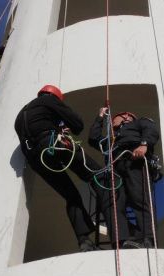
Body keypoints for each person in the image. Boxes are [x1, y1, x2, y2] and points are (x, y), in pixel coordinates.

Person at [14, 85, 102, 252]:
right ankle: (117, 221)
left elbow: (37, 127)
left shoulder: (21, 115)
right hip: (54, 145)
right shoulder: (49, 100)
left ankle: (84, 240)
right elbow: (77, 125)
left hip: (37, 159)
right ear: (54, 96)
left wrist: (57, 126)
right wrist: (64, 126)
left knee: (71, 195)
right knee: (98, 175)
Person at [88, 108, 160, 249]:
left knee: (141, 199)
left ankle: (147, 238)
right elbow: (93, 139)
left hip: (134, 160)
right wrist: (100, 117)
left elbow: (151, 129)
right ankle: (121, 240)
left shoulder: (139, 123)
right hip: (115, 168)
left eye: (115, 118)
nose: (112, 121)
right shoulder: (112, 139)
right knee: (114, 204)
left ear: (126, 116)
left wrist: (144, 145)